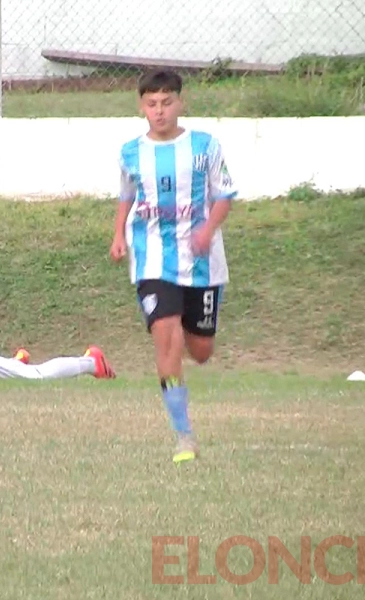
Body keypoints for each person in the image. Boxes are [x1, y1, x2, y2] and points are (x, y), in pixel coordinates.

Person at [110, 68, 238, 464]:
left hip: (201, 264)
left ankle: (184, 321)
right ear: (141, 107)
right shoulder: (131, 152)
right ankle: (184, 435)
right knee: (166, 339)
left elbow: (225, 194)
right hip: (152, 260)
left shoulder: (205, 146)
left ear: (180, 103)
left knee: (200, 351)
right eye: (152, 104)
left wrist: (208, 230)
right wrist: (118, 235)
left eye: (167, 102)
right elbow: (126, 196)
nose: (159, 111)